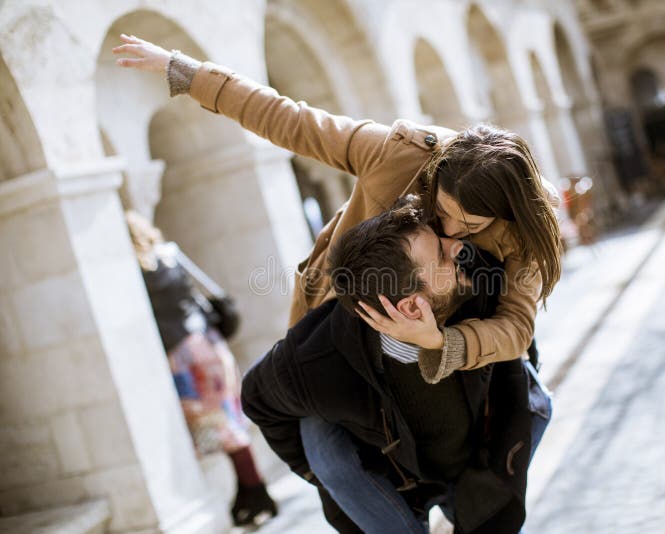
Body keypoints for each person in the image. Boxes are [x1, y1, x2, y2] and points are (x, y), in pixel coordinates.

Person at [113, 34, 563, 384]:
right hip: (341, 317)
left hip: (453, 344)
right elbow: (292, 120)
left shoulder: (524, 226)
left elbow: (516, 326)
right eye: (441, 211)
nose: (447, 231)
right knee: (316, 441)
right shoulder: (399, 153)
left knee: (521, 406)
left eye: (468, 226)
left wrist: (438, 341)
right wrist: (185, 72)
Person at [241, 195, 552, 533]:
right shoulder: (312, 360)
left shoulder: (476, 278)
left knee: (532, 390)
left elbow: (518, 359)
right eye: (440, 255)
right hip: (391, 481)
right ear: (410, 308)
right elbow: (256, 400)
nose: (456, 247)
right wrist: (322, 478)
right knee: (316, 430)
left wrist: (492, 505)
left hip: (473, 460)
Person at [125, 211, 278, 527]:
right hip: (209, 344)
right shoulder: (169, 253)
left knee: (221, 428)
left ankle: (257, 494)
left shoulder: (133, 270)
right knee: (225, 423)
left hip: (184, 357)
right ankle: (248, 493)